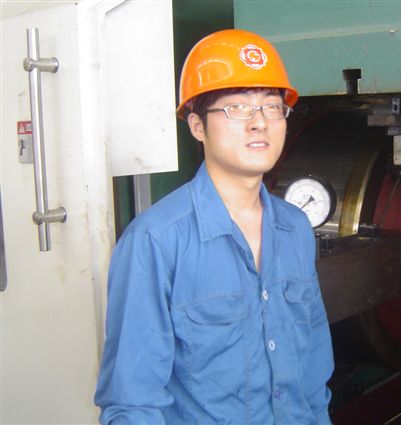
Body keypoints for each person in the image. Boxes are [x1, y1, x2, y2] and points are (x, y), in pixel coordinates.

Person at [94, 29, 334, 424]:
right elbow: (132, 405)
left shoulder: (295, 229)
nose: (259, 123)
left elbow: (312, 378)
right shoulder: (155, 241)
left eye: (272, 106)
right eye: (237, 107)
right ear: (197, 126)